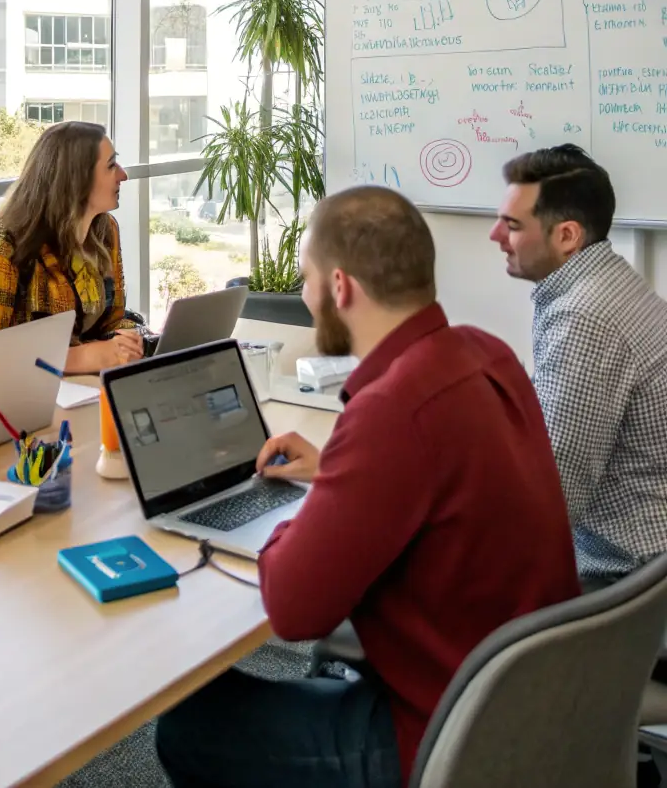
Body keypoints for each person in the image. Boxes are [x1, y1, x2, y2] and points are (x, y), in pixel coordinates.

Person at [156, 186, 578, 788]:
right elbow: (437, 481)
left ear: (341, 287)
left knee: (189, 725)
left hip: (446, 739)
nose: (304, 295)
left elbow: (295, 609)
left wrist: (293, 513)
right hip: (527, 702)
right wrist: (340, 474)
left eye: (306, 279)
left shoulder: (393, 409)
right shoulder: (486, 353)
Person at [490, 144, 667, 580]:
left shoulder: (584, 319)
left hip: (615, 576)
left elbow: (547, 505)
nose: (494, 236)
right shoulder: (609, 279)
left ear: (567, 236)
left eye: (511, 225)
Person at [0, 121, 143, 373]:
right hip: (26, 398)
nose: (123, 175)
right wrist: (83, 357)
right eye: (111, 166)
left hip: (87, 388)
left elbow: (112, 322)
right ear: (76, 179)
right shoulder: (3, 243)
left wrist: (137, 340)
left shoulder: (105, 230)